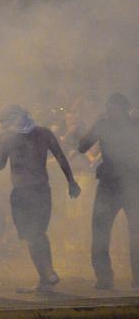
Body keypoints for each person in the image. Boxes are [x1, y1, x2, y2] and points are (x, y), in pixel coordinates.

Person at [0, 104, 81, 293]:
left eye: (4, 122)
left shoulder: (7, 137)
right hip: (42, 191)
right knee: (38, 234)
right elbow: (61, 157)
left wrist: (2, 143)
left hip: (23, 193)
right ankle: (45, 280)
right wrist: (71, 182)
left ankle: (48, 273)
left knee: (33, 236)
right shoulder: (44, 133)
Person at [78, 93, 139, 289]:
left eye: (114, 108)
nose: (110, 111)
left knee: (136, 234)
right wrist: (95, 125)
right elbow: (82, 146)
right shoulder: (104, 125)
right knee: (100, 233)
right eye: (108, 107)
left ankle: (136, 279)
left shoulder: (134, 126)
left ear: (124, 109)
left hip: (132, 186)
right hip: (110, 186)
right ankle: (104, 278)